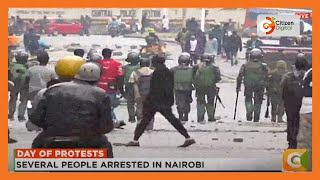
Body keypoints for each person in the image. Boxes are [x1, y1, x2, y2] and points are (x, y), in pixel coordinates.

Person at [30, 62, 114, 157]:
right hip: (88, 140)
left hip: (52, 137)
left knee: (36, 148)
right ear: (98, 78)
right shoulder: (101, 94)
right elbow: (106, 126)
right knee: (106, 149)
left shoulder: (53, 89)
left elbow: (36, 118)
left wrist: (52, 127)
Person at [126, 55, 196, 147]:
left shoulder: (157, 72)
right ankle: (188, 137)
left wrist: (148, 100)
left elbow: (154, 88)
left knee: (144, 121)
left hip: (155, 101)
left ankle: (135, 140)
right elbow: (170, 87)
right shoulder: (168, 71)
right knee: (173, 120)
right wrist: (170, 100)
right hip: (165, 101)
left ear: (155, 62)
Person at [26, 55, 86, 132]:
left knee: (30, 105)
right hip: (79, 131)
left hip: (32, 91)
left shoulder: (31, 70)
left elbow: (26, 80)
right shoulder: (90, 93)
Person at [281, 53, 308, 149]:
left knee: (291, 124)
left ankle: (292, 144)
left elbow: (283, 91)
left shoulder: (288, 76)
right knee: (304, 126)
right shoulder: (308, 76)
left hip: (291, 106)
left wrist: (285, 104)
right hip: (305, 106)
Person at [236, 48, 269, 122]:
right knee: (258, 101)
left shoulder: (245, 65)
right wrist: (267, 88)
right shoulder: (263, 66)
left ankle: (249, 113)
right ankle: (256, 116)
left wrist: (238, 87)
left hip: (248, 85)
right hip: (260, 86)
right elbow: (268, 77)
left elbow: (239, 76)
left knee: (248, 99)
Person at [96, 48, 125, 127]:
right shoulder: (117, 64)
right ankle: (113, 120)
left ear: (102, 54)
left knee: (100, 105)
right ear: (110, 54)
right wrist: (121, 90)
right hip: (111, 87)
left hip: (98, 87)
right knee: (109, 106)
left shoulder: (98, 64)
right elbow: (120, 76)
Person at [128, 58, 155, 130]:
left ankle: (140, 124)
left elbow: (132, 84)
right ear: (149, 64)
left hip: (139, 94)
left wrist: (134, 95)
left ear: (140, 64)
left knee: (140, 108)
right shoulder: (154, 72)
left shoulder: (135, 73)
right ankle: (150, 126)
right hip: (151, 94)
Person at [193, 54, 221, 123]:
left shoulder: (196, 66)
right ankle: (211, 117)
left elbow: (192, 76)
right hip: (211, 87)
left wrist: (195, 83)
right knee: (210, 102)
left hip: (199, 88)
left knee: (200, 102)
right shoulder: (215, 67)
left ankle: (200, 118)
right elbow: (218, 78)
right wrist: (213, 81)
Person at [8, 50, 31, 121]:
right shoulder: (27, 66)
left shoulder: (12, 65)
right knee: (23, 100)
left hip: (14, 85)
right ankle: (21, 116)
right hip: (24, 85)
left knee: (13, 99)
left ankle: (11, 114)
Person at [170, 54, 194, 123]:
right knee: (187, 102)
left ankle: (180, 116)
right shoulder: (191, 69)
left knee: (179, 102)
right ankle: (186, 116)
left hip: (177, 88)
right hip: (188, 88)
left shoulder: (173, 69)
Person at [123, 52, 141, 123]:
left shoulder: (125, 67)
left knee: (130, 102)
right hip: (139, 87)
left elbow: (121, 77)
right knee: (139, 101)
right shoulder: (140, 67)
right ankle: (138, 114)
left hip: (129, 86)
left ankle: (132, 117)